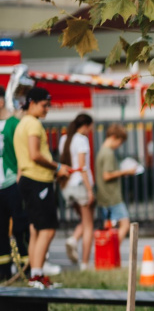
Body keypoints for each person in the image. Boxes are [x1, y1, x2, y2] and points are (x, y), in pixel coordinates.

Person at [13, 87, 69, 289]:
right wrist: (59, 167)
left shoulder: (21, 124)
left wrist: (22, 182)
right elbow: (35, 155)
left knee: (36, 229)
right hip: (37, 181)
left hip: (29, 180)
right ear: (33, 103)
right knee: (47, 229)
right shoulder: (33, 125)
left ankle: (36, 275)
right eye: (45, 105)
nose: (47, 109)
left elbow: (23, 159)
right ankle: (36, 275)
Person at [60, 113, 95, 270]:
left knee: (84, 220)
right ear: (86, 125)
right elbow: (82, 167)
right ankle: (85, 263)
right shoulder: (82, 140)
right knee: (89, 225)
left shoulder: (64, 139)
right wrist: (90, 190)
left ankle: (73, 240)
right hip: (80, 185)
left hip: (67, 186)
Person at [0, 92, 30, 280]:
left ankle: (26, 267)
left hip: (12, 183)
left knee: (19, 227)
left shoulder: (13, 124)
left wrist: (20, 178)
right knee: (1, 229)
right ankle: (4, 271)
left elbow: (22, 152)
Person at [95, 124, 138, 243]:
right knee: (125, 223)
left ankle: (107, 254)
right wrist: (126, 171)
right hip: (112, 196)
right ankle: (112, 251)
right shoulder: (108, 153)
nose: (119, 145)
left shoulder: (101, 151)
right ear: (114, 137)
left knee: (109, 227)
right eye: (120, 141)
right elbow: (107, 175)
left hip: (104, 196)